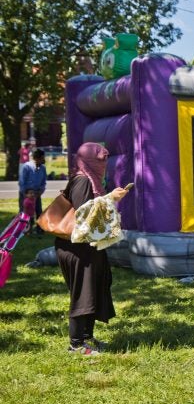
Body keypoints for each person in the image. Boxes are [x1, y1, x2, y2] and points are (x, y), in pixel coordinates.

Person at [56, 142, 129, 355]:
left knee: (95, 288)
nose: (104, 164)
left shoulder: (91, 181)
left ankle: (87, 338)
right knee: (83, 293)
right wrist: (110, 199)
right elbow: (84, 215)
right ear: (89, 161)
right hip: (76, 249)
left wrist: (108, 197)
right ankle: (76, 345)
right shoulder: (82, 181)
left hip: (87, 247)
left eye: (105, 159)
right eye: (100, 160)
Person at [19, 149, 46, 233]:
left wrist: (40, 191)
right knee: (25, 211)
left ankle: (39, 229)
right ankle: (24, 229)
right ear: (36, 158)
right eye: (42, 158)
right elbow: (22, 181)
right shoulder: (26, 166)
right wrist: (26, 193)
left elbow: (43, 181)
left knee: (38, 211)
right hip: (26, 194)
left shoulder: (42, 168)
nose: (44, 160)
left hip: (37, 194)